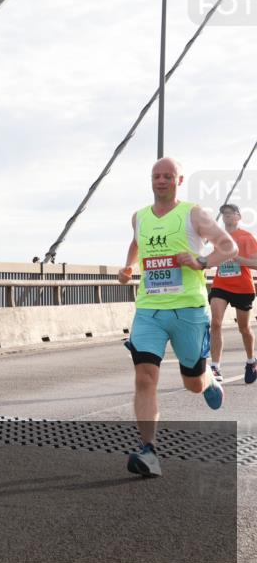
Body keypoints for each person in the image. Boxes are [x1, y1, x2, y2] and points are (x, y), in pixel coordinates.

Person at [117, 158, 237, 477]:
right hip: (149, 310)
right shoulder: (139, 217)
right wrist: (129, 266)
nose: (161, 181)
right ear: (151, 179)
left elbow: (228, 246)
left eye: (168, 176)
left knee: (193, 383)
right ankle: (149, 452)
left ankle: (209, 379)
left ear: (178, 181)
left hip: (188, 311)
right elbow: (136, 242)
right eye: (156, 176)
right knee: (145, 376)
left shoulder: (193, 213)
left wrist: (201, 260)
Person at [208, 203, 256, 383]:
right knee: (216, 322)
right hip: (221, 285)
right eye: (224, 214)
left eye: (231, 213)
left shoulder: (246, 237)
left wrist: (238, 259)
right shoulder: (219, 238)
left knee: (244, 328)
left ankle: (251, 361)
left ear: (239, 216)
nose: (227, 216)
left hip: (242, 287)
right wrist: (204, 262)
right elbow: (214, 259)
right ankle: (215, 367)